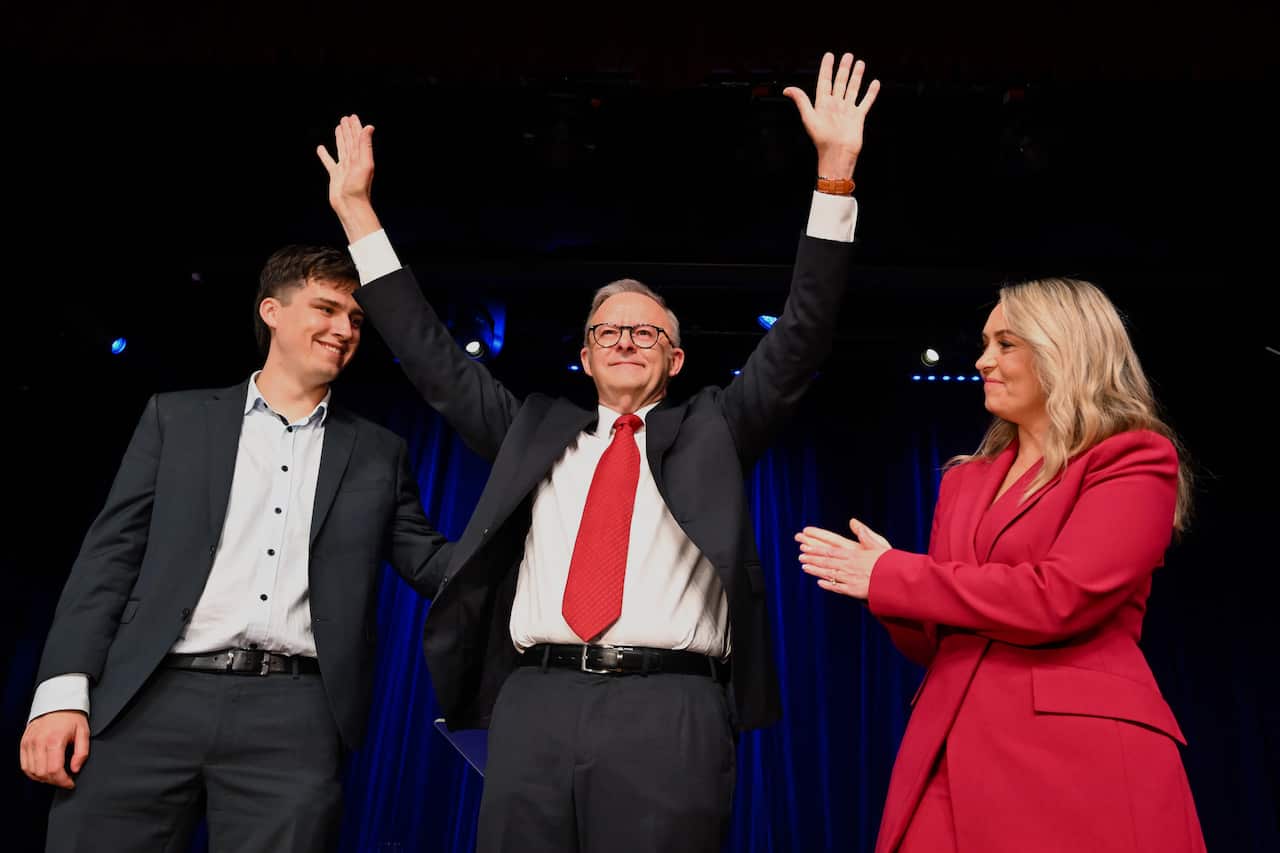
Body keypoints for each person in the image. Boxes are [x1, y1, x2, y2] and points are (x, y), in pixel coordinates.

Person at [316, 51, 878, 853]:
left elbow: (802, 334)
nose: (625, 338)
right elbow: (432, 356)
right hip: (535, 701)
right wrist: (358, 217)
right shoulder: (532, 429)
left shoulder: (717, 426)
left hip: (672, 710)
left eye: (647, 330)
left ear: (676, 360)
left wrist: (834, 177)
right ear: (582, 354)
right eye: (607, 329)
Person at [19, 245, 453, 853]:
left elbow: (432, 563)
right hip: (147, 697)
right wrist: (60, 697)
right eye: (326, 309)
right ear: (272, 311)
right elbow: (108, 560)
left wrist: (538, 548)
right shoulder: (178, 418)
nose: (344, 329)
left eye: (355, 319)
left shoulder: (380, 452)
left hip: (294, 715)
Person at [796, 277, 1206, 852]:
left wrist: (896, 576)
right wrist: (881, 586)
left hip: (1078, 755)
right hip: (949, 742)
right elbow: (937, 641)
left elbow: (1059, 597)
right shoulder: (965, 479)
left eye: (1006, 344)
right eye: (986, 344)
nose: (984, 360)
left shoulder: (1132, 456)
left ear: (1064, 349)